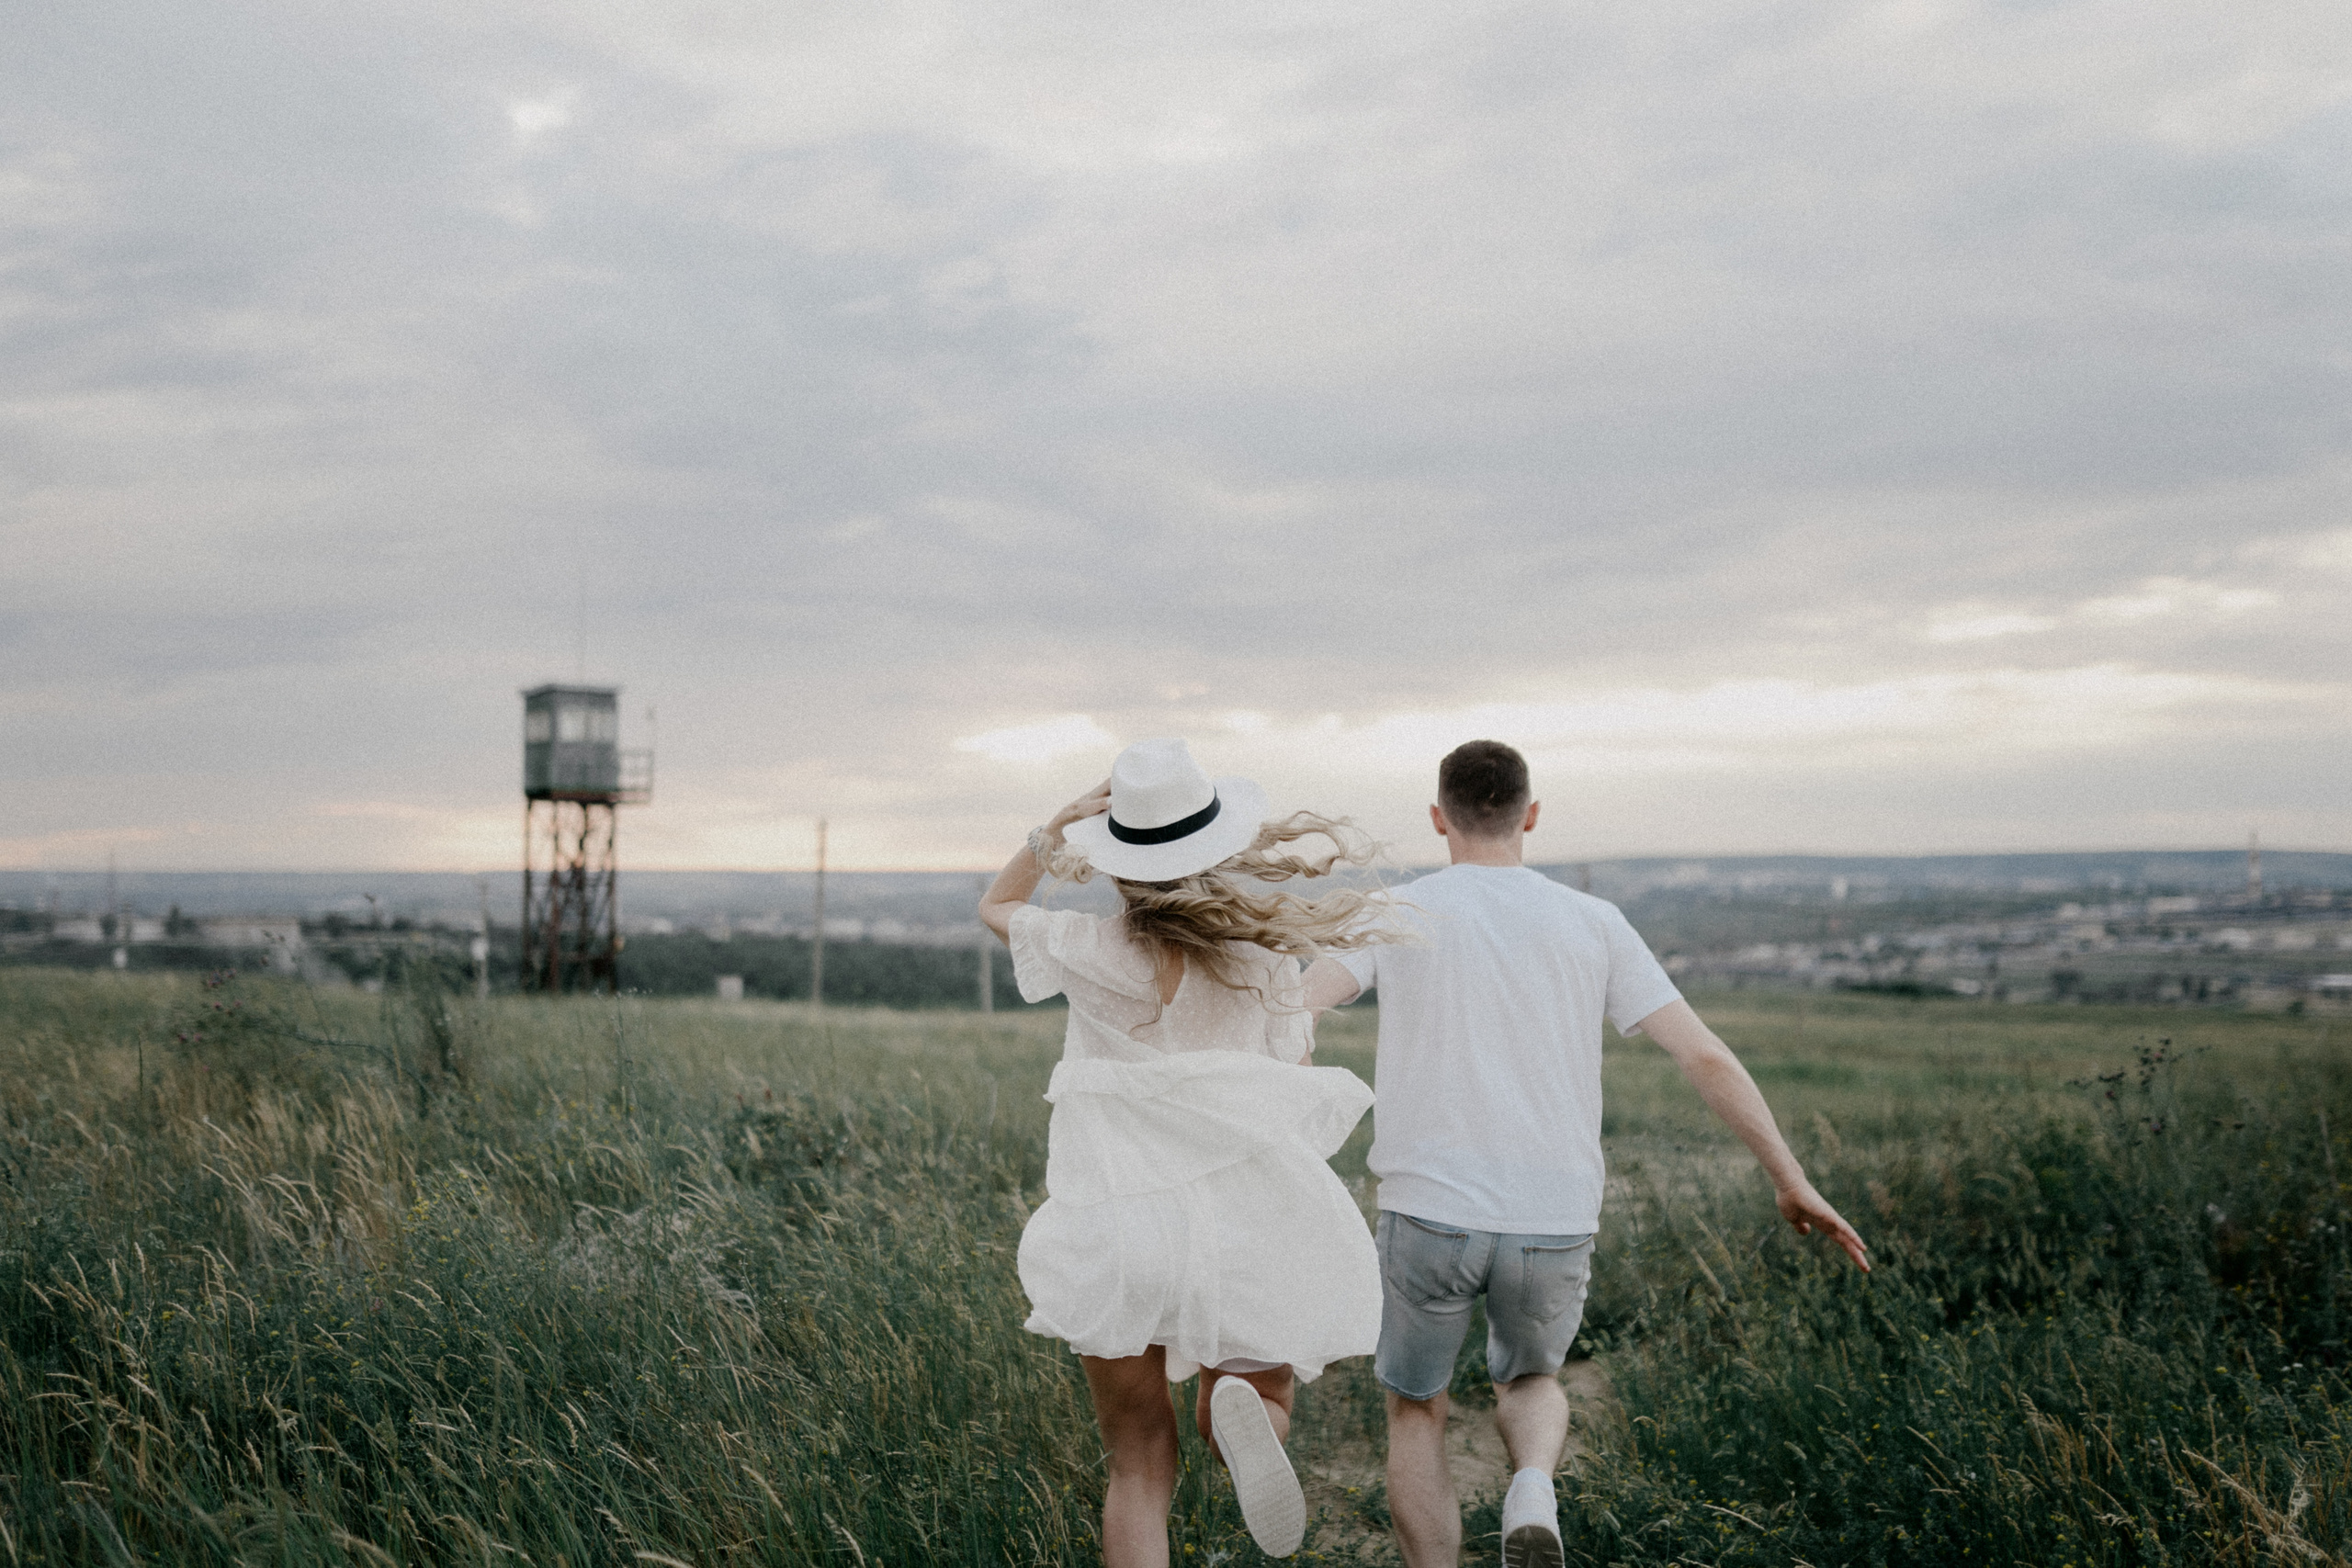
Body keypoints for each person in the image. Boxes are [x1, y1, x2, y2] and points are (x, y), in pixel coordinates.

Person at [1300, 739, 1870, 1568]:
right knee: (1530, 1382)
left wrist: (1298, 1057)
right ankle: (1532, 1484)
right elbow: (1704, 1055)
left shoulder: (1396, 909)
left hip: (1427, 1210)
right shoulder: (1595, 922)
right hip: (1552, 1215)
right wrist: (1791, 1176)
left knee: (1416, 1410)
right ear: (1530, 815)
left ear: (1438, 819)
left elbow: (1304, 1002)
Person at [979, 738, 1396, 1566]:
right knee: (1259, 1382)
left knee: (1137, 1464)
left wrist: (1055, 827)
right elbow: (1286, 1080)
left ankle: (1215, 1425)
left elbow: (996, 906)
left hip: (1119, 1227)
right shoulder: (1267, 961)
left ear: (1119, 864)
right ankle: (1241, 1408)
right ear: (1218, 850)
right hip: (1241, 1221)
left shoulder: (1091, 949)